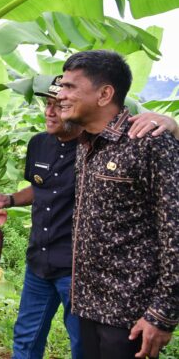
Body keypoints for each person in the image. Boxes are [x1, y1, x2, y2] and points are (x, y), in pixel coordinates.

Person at [0, 76, 177, 359]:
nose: (50, 112)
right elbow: (40, 186)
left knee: (82, 347)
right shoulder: (38, 144)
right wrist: (8, 200)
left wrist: (172, 125)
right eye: (47, 104)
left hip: (77, 271)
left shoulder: (93, 146)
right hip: (38, 261)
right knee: (25, 337)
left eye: (59, 105)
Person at [56, 50, 177, 359]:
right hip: (87, 304)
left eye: (70, 87)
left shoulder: (150, 141)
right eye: (61, 86)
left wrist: (162, 313)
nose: (60, 95)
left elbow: (175, 232)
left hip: (130, 315)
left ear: (104, 93)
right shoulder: (86, 144)